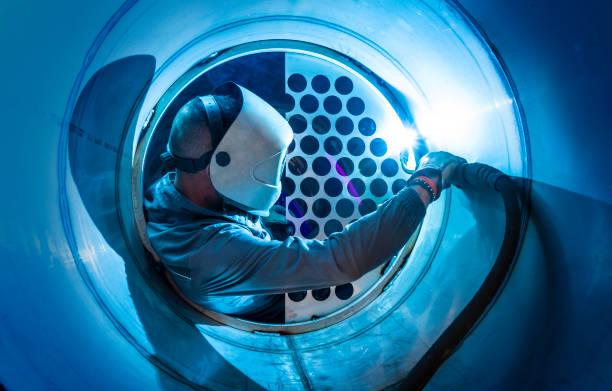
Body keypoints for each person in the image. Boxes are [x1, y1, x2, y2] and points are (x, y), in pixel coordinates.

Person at [144, 82, 465, 323]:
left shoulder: (169, 185)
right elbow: (343, 260)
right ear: (223, 163)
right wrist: (426, 183)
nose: (278, 173)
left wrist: (273, 157)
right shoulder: (219, 253)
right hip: (274, 303)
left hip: (240, 253)